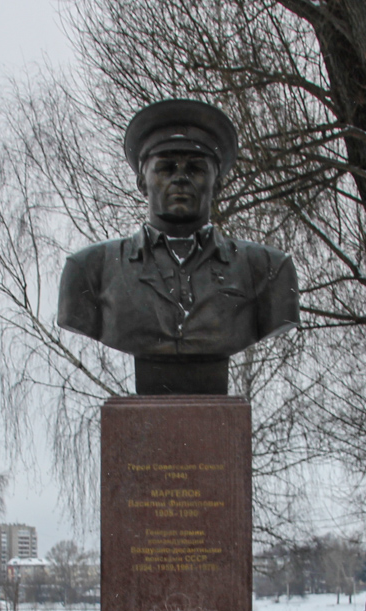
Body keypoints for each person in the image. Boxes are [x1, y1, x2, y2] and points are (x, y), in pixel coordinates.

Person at [57, 98, 299, 395]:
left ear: (218, 183)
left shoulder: (269, 271)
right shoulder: (90, 271)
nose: (181, 178)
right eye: (166, 168)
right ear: (142, 182)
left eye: (195, 168)